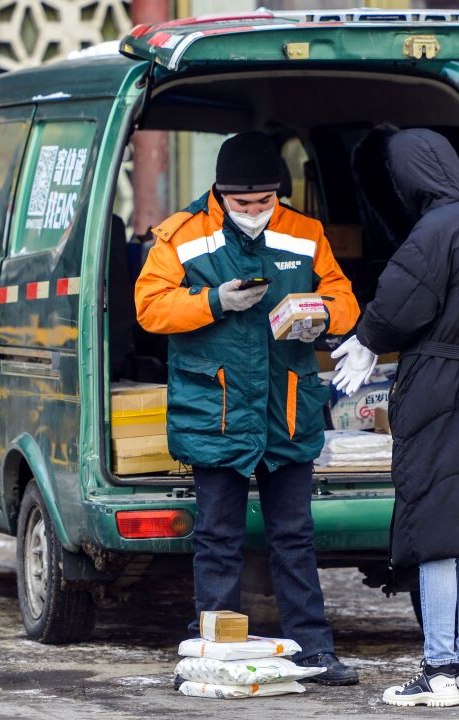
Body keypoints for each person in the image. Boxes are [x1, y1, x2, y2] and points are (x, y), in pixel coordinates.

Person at [135, 130, 362, 685]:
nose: (257, 213)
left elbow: (346, 300)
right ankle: (211, 656)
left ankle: (315, 651)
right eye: (244, 205)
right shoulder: (182, 236)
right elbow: (149, 307)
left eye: (266, 203)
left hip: (286, 409)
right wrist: (215, 300)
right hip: (217, 411)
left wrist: (318, 314)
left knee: (294, 537)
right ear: (220, 194)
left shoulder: (305, 233)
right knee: (217, 539)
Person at [333, 125, 459, 707]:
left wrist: (367, 338)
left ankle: (437, 670)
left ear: (412, 174)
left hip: (441, 387)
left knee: (436, 532)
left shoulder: (434, 230)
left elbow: (400, 298)